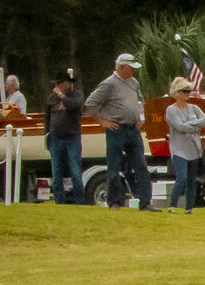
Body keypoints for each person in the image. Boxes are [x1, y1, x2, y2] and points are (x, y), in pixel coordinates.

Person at [84, 52, 159, 211]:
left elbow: (140, 101)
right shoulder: (108, 84)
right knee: (114, 167)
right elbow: (91, 103)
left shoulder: (134, 83)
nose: (133, 71)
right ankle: (115, 202)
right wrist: (102, 121)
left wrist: (140, 118)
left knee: (141, 166)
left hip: (133, 130)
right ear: (122, 67)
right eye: (130, 68)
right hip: (116, 129)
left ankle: (145, 202)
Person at [165, 76, 205, 214]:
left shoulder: (194, 107)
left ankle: (189, 208)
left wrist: (189, 125)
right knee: (182, 178)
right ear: (176, 93)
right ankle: (172, 206)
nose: (187, 94)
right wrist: (196, 126)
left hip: (194, 149)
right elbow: (179, 126)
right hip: (179, 150)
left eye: (189, 91)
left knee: (192, 180)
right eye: (184, 91)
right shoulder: (171, 110)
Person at [45, 70, 85, 205]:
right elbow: (48, 118)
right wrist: (47, 135)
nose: (56, 86)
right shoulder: (52, 98)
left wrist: (62, 96)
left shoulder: (77, 95)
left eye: (58, 84)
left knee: (75, 173)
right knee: (57, 174)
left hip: (72, 138)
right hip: (56, 138)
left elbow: (74, 106)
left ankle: (79, 202)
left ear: (66, 84)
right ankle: (59, 202)